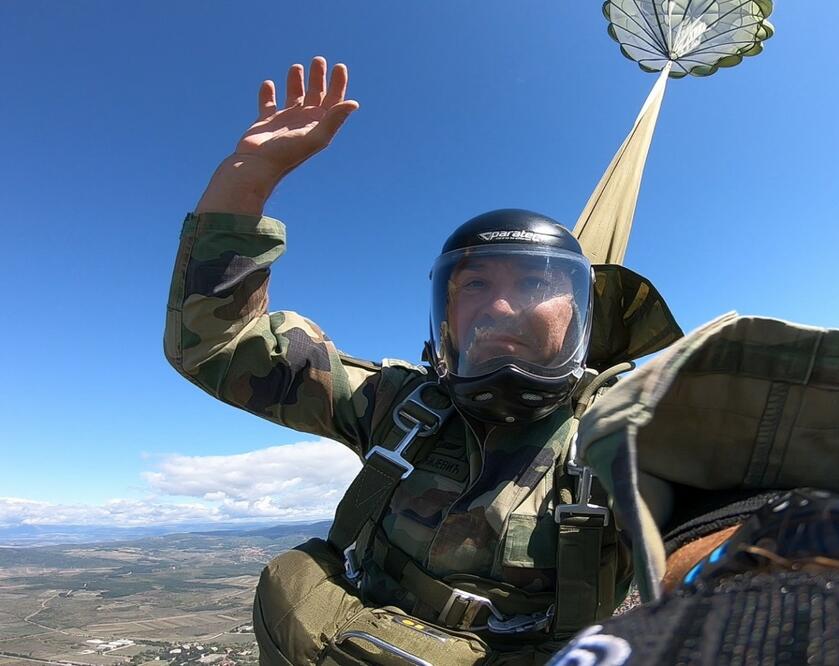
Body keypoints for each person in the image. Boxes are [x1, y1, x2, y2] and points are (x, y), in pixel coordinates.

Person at [165, 56, 632, 665]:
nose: (500, 305)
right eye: (473, 285)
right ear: (444, 310)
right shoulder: (397, 403)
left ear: (579, 314)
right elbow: (215, 346)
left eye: (534, 284)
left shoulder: (630, 435)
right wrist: (249, 178)